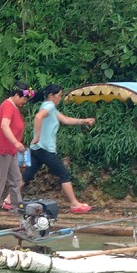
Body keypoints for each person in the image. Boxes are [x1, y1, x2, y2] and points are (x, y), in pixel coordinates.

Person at [21, 84, 95, 214]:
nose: (60, 98)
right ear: (51, 96)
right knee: (64, 174)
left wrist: (84, 121)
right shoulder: (49, 106)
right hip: (45, 149)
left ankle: (8, 200)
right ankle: (74, 204)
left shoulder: (48, 106)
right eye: (59, 96)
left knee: (27, 175)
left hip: (37, 148)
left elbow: (65, 120)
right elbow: (38, 117)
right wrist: (37, 135)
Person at [0, 82, 33, 212]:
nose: (25, 101)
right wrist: (16, 143)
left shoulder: (14, 107)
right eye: (24, 98)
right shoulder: (8, 106)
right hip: (3, 150)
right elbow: (4, 125)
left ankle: (16, 207)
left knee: (16, 179)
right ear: (17, 95)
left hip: (11, 151)